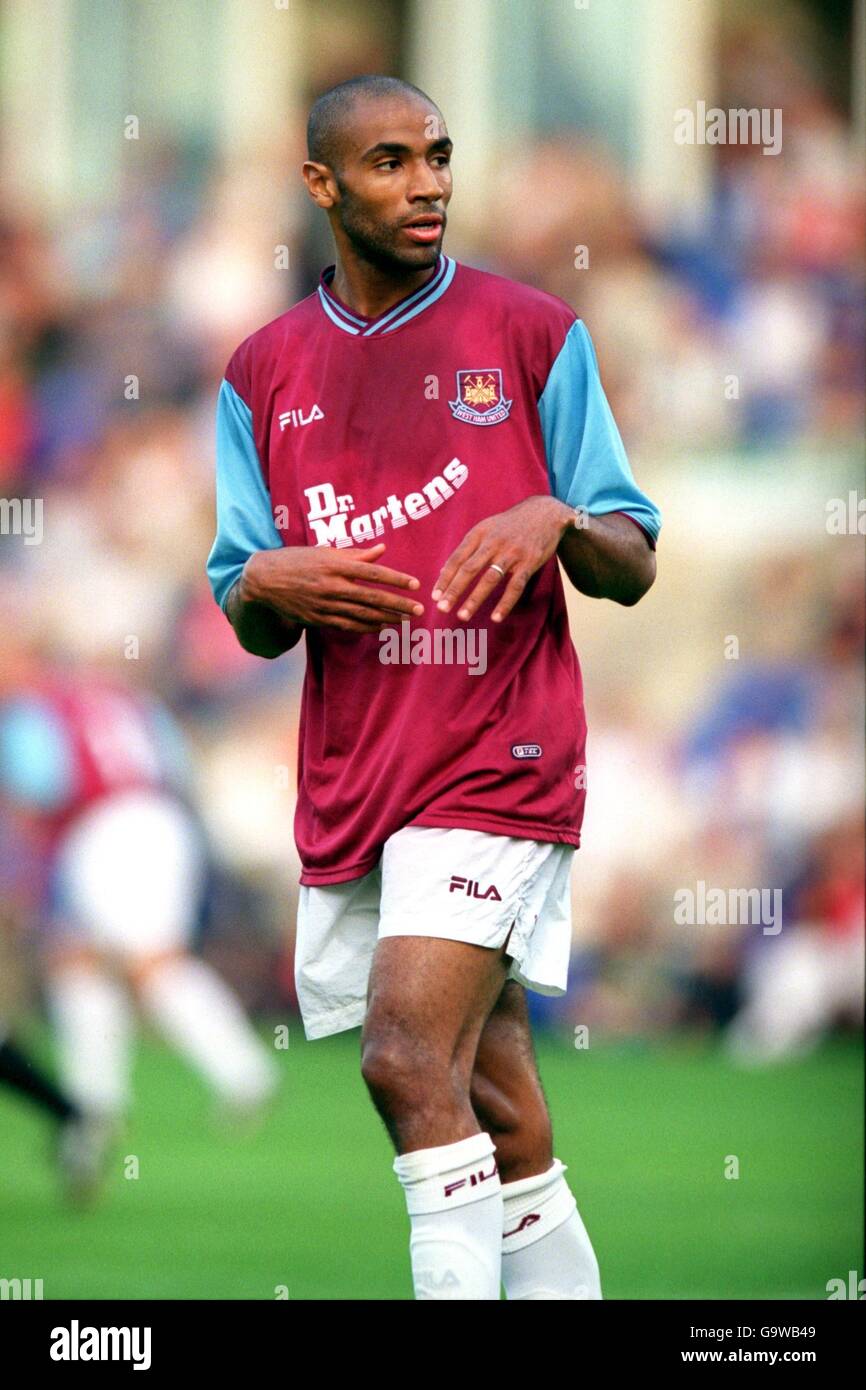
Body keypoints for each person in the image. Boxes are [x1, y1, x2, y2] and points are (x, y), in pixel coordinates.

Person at [207, 75, 661, 1300]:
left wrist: (556, 515)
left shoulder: (527, 333)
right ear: (322, 185)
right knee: (496, 1105)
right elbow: (245, 615)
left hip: (498, 752)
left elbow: (631, 559)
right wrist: (269, 580)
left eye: (440, 156)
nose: (429, 184)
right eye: (392, 161)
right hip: (359, 773)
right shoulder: (259, 373)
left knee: (405, 1059)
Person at [0, 656, 279, 1199]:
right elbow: (178, 762)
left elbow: (35, 793)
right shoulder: (125, 698)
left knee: (148, 963)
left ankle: (245, 1074)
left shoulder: (31, 714)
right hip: (159, 820)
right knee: (77, 961)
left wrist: (29, 878)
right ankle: (93, 1108)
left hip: (101, 830)